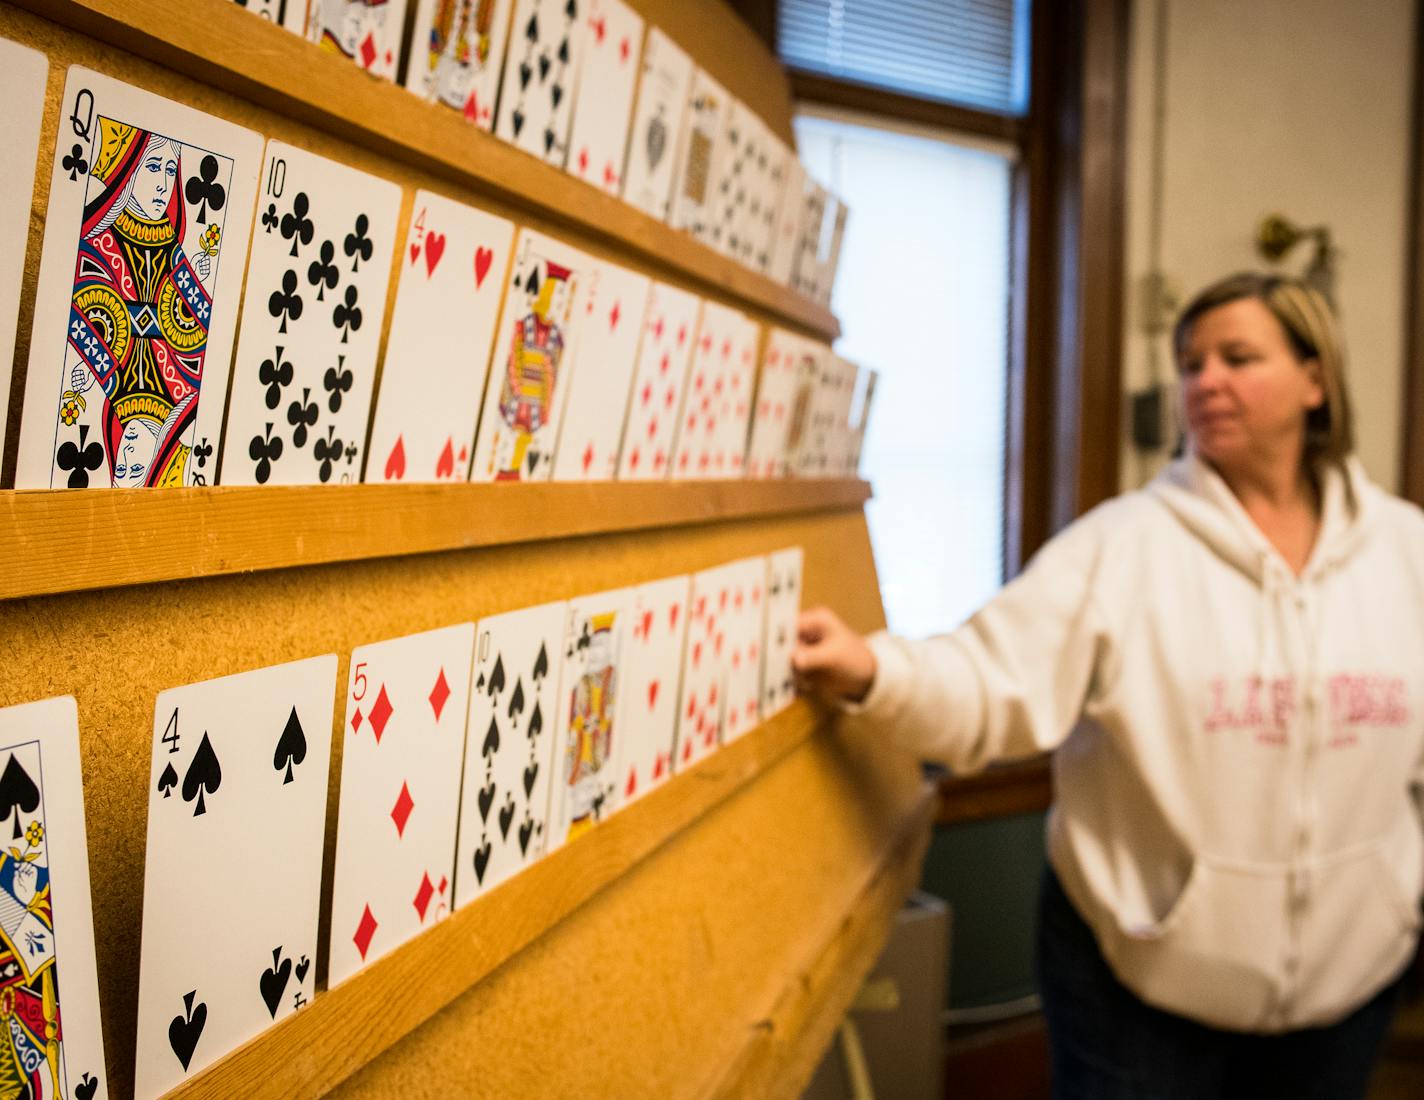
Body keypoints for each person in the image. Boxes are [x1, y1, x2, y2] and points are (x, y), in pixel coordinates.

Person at [793, 273, 1424, 1098]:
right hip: (1141, 984)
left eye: (1238, 357)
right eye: (1191, 363)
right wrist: (876, 669)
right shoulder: (1123, 547)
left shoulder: (1405, 551)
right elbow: (991, 679)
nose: (1205, 381)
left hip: (1351, 983)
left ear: (1317, 380)